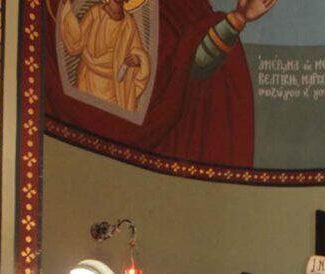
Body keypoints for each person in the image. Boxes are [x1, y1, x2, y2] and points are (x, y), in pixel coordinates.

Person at [47, 0, 277, 165]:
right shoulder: (94, 12)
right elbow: (72, 43)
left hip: (138, 131)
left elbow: (188, 64)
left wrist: (238, 18)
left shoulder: (173, 10)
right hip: (80, 111)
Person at [59, 0, 151, 114]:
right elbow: (77, 42)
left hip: (116, 89)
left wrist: (138, 59)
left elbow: (137, 52)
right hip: (89, 81)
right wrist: (67, 12)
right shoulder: (95, 13)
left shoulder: (129, 24)